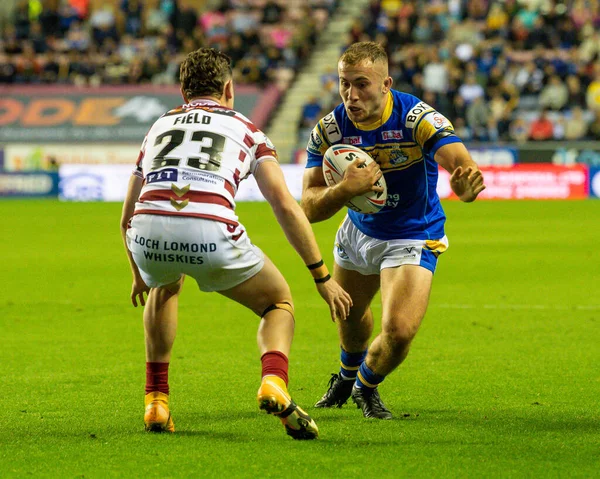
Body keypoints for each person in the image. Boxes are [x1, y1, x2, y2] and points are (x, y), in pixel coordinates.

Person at [120, 47, 352, 439]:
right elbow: (284, 205)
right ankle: (273, 380)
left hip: (146, 232)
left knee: (164, 285)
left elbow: (126, 215)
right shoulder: (248, 130)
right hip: (209, 231)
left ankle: (156, 401)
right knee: (278, 303)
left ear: (183, 90)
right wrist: (321, 275)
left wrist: (138, 271)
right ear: (229, 88)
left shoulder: (158, 126)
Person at [301, 41, 485, 419]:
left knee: (398, 332)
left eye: (362, 84)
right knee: (350, 319)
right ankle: (346, 374)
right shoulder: (329, 130)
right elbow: (309, 207)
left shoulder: (417, 118)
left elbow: (459, 161)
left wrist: (464, 183)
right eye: (343, 84)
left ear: (386, 84)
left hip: (413, 234)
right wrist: (343, 190)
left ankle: (365, 386)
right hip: (357, 231)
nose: (351, 95)